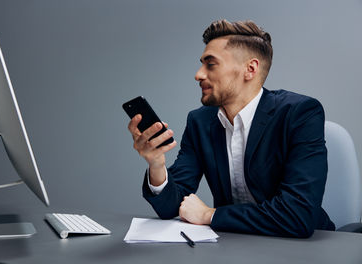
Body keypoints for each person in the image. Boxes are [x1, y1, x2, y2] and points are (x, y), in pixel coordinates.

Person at [127, 19, 335, 238]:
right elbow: (171, 207)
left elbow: (297, 216)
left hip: (304, 250)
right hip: (234, 245)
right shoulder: (200, 121)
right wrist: (157, 165)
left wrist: (210, 215)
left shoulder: (300, 114)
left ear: (250, 69)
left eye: (211, 64)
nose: (198, 74)